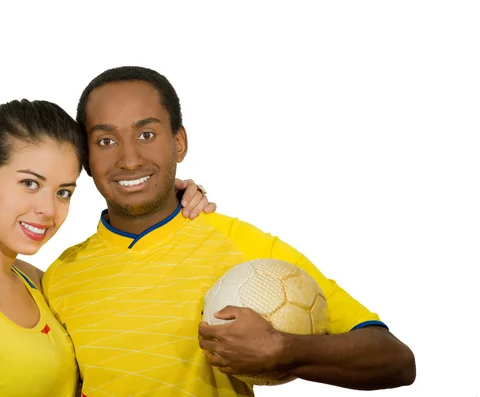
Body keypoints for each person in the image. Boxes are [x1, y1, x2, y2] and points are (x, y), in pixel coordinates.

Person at [43, 66, 416, 397]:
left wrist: (286, 350)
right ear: (86, 159)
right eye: (105, 141)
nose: (129, 159)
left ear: (179, 142)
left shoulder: (242, 245)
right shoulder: (60, 277)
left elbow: (396, 361)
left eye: (146, 135)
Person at [0, 99, 214, 397]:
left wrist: (171, 203)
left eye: (63, 192)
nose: (48, 209)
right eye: (30, 184)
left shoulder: (40, 282)